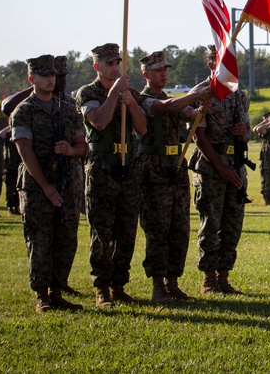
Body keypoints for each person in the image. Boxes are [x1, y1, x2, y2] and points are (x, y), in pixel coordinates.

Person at [11, 54, 86, 313]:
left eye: (53, 75)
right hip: (36, 186)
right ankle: (42, 295)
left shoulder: (67, 109)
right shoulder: (24, 111)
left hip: (66, 183)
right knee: (40, 240)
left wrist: (70, 150)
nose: (50, 79)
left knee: (66, 239)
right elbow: (25, 152)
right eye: (44, 75)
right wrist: (45, 186)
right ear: (32, 79)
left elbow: (82, 146)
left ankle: (57, 291)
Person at [75, 42, 148, 308]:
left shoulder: (129, 92)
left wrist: (131, 103)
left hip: (128, 165)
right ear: (97, 66)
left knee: (126, 230)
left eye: (117, 62)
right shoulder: (88, 93)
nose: (115, 67)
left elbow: (143, 129)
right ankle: (101, 287)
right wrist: (115, 93)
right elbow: (99, 121)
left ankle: (119, 284)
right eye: (109, 63)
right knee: (102, 231)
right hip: (102, 167)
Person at [136, 51, 211, 303]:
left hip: (175, 167)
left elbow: (188, 114)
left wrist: (201, 109)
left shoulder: (173, 100)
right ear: (146, 74)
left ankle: (173, 282)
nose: (163, 74)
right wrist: (195, 96)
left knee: (178, 228)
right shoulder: (143, 99)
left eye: (165, 69)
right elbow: (162, 108)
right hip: (153, 169)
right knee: (157, 229)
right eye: (158, 70)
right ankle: (158, 285)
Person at [190, 45, 251, 296]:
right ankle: (208, 279)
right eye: (223, 63)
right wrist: (220, 168)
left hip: (235, 164)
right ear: (211, 65)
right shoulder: (201, 94)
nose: (229, 68)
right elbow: (199, 137)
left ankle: (223, 277)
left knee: (232, 224)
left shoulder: (239, 95)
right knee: (211, 223)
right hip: (211, 166)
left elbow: (247, 129)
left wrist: (243, 132)